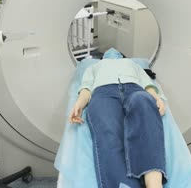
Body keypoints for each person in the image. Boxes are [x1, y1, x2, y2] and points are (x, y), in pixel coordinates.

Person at [69, 48, 167, 188]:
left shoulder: (133, 64)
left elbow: (148, 84)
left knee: (144, 101)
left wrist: (157, 98)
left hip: (135, 89)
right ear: (103, 58)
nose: (112, 50)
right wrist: (79, 104)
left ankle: (154, 184)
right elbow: (86, 89)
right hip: (103, 94)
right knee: (110, 135)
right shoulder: (93, 67)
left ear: (121, 55)